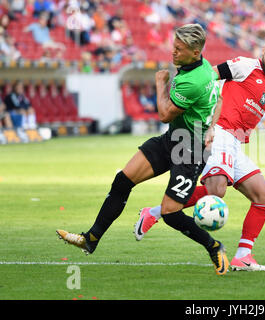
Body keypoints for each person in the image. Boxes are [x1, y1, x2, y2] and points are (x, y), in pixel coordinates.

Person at [134, 29, 265, 271]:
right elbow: (207, 76)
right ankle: (156, 212)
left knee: (263, 197)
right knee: (216, 190)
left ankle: (243, 256)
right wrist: (204, 117)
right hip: (219, 133)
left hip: (236, 143)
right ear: (263, 49)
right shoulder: (244, 66)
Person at [56, 23, 230, 276]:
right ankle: (91, 239)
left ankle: (214, 246)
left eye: (179, 49)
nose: (173, 53)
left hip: (190, 151)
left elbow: (164, 114)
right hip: (173, 140)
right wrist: (211, 127)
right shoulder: (204, 67)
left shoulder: (193, 81)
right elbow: (219, 100)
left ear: (195, 52)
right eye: (174, 46)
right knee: (123, 180)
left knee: (170, 214)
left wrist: (160, 83)